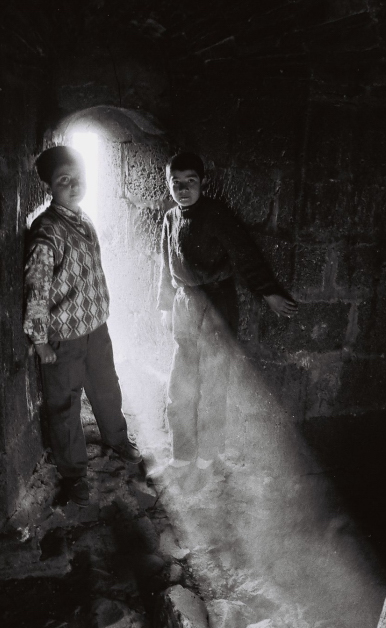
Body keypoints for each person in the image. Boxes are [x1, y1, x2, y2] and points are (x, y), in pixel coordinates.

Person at [158, 152, 297, 478]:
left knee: (213, 386)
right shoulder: (169, 219)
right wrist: (165, 306)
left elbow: (244, 253)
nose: (183, 189)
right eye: (176, 183)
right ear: (168, 185)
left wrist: (268, 292)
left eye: (190, 182)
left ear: (202, 183)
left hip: (217, 305)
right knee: (180, 385)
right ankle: (182, 455)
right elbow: (165, 264)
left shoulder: (216, 215)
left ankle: (208, 456)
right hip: (185, 304)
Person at [23, 145, 141, 506]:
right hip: (64, 338)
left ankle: (116, 438)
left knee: (106, 386)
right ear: (48, 188)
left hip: (94, 328)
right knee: (64, 405)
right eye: (64, 181)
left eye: (79, 179)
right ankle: (74, 473)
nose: (74, 186)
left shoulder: (83, 218)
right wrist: (40, 340)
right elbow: (38, 289)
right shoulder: (46, 233)